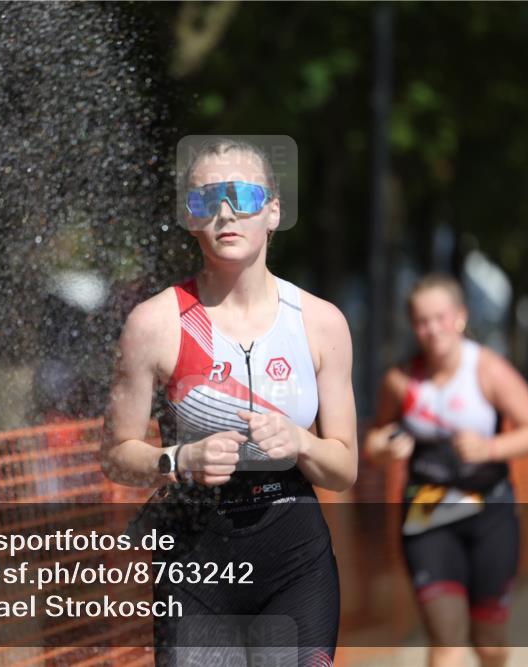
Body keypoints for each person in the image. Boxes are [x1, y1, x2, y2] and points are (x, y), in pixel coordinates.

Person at [102, 137, 357, 666]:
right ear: (190, 220)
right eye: (204, 201)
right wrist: (178, 459)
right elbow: (115, 455)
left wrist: (301, 442)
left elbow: (344, 468)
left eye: (241, 195)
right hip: (196, 562)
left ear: (273, 211)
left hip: (293, 560)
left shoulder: (320, 322)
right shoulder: (154, 324)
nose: (224, 213)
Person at [363, 274, 528, 667]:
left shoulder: (487, 370)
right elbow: (374, 441)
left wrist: (490, 447)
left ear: (460, 317)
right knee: (446, 642)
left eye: (440, 318)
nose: (432, 330)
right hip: (426, 512)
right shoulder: (400, 381)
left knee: (489, 643)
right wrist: (382, 447)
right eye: (421, 321)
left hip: (491, 514)